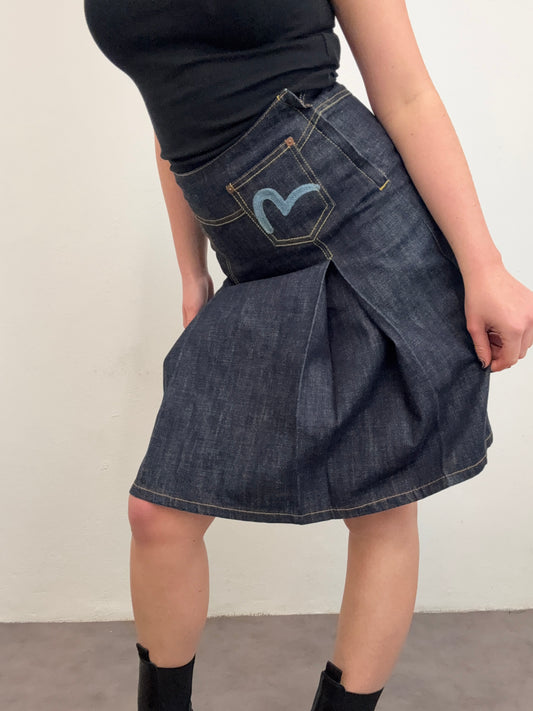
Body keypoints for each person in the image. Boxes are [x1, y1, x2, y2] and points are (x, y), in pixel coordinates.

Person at [83, 1, 533, 709]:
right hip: (249, 250)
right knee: (158, 514)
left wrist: (485, 266)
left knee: (381, 500)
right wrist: (191, 270)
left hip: (359, 215)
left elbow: (406, 92)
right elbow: (167, 112)